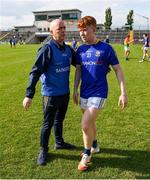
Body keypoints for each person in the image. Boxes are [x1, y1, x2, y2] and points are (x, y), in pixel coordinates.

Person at [73, 16, 128, 171]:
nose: (82, 33)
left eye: (85, 29)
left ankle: (86, 154)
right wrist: (75, 89)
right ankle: (95, 145)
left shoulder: (106, 49)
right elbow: (78, 70)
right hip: (84, 92)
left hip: (99, 93)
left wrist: (123, 93)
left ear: (94, 29)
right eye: (80, 30)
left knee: (85, 125)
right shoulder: (80, 50)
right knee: (90, 123)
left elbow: (118, 69)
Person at [23, 18, 76, 166]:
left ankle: (59, 142)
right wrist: (29, 95)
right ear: (52, 32)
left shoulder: (68, 49)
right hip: (50, 94)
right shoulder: (47, 49)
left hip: (64, 93)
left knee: (60, 120)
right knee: (48, 123)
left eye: (64, 28)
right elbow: (35, 72)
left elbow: (80, 63)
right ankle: (43, 150)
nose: (63, 31)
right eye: (60, 29)